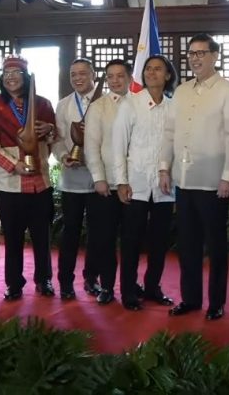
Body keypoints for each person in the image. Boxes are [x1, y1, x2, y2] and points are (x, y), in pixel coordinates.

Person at [159, 34, 229, 321]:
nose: (195, 59)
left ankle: (216, 302)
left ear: (214, 56)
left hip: (213, 182)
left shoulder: (228, 91)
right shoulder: (181, 91)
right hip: (184, 180)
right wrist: (164, 168)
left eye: (201, 53)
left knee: (216, 246)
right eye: (191, 54)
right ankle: (190, 299)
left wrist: (228, 176)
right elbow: (169, 133)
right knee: (187, 245)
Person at [0, 56, 57, 302]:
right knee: (13, 237)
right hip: (9, 184)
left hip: (40, 183)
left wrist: (49, 130)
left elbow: (54, 139)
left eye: (16, 73)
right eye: (7, 74)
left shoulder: (43, 103)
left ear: (26, 77)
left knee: (42, 236)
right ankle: (14, 284)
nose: (11, 78)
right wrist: (12, 165)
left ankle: (44, 280)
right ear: (1, 79)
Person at [114, 55, 177, 311]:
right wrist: (121, 181)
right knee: (131, 241)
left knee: (159, 242)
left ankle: (152, 288)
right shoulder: (130, 103)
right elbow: (119, 145)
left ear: (168, 75)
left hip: (164, 186)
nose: (151, 73)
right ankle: (129, 291)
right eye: (148, 69)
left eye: (158, 69)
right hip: (136, 183)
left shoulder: (174, 106)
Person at [53, 58, 104, 302]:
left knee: (97, 232)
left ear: (93, 74)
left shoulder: (105, 101)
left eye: (83, 73)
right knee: (70, 232)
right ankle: (65, 281)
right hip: (72, 180)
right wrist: (63, 156)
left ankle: (92, 278)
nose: (77, 78)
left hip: (99, 179)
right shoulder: (63, 105)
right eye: (73, 74)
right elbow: (58, 138)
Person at [81, 58, 131, 303]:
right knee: (104, 239)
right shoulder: (98, 106)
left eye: (120, 75)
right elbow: (91, 146)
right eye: (110, 76)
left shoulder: (139, 103)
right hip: (106, 186)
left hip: (134, 184)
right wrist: (99, 178)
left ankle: (130, 286)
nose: (115, 80)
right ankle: (107, 287)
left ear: (130, 78)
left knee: (131, 240)